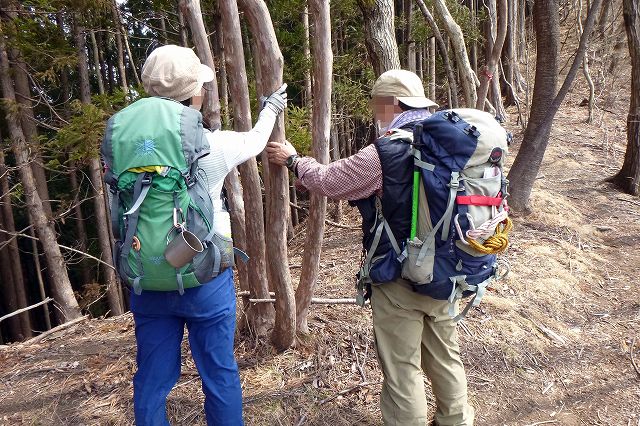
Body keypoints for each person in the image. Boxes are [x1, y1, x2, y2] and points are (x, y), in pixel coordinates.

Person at [266, 69, 474, 426]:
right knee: (445, 354)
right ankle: (456, 420)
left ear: (392, 103)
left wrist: (293, 160)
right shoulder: (453, 144)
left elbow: (330, 180)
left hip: (400, 276)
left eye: (379, 106)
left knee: (402, 366)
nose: (376, 114)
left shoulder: (387, 150)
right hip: (450, 270)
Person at [128, 44, 287, 425]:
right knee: (218, 372)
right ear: (195, 93)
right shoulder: (210, 145)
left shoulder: (126, 145)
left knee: (151, 378)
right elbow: (255, 141)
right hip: (204, 275)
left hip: (147, 276)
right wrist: (271, 108)